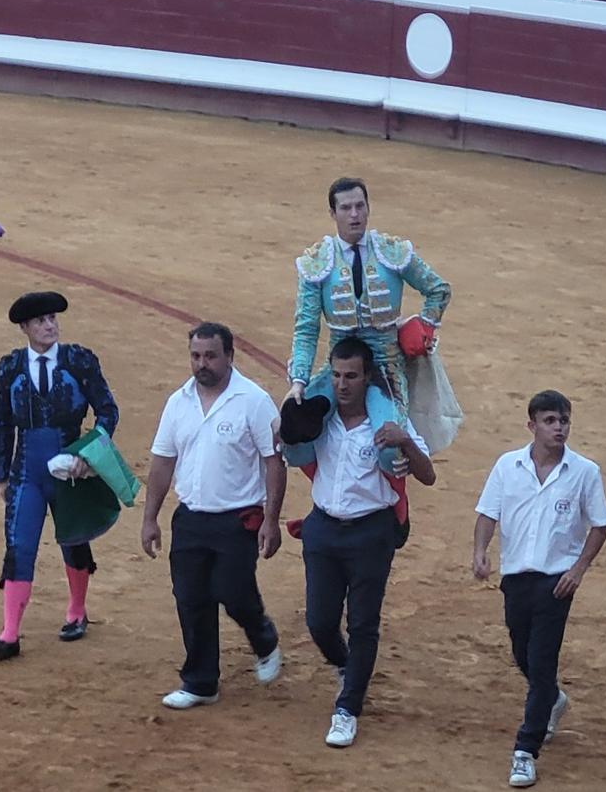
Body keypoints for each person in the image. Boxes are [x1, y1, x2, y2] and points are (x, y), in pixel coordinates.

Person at [140, 322, 285, 709]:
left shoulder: (253, 400)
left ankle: (263, 636)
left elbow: (274, 462)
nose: (202, 364)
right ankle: (201, 682)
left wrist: (272, 519)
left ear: (229, 357)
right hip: (190, 517)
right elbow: (162, 462)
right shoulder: (178, 402)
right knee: (190, 599)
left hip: (239, 518)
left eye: (210, 356)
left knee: (233, 591)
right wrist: (150, 517)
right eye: (196, 356)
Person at [473, 390, 606, 788]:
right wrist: (480, 551)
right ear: (532, 425)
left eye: (564, 420)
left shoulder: (585, 471)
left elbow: (600, 525)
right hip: (516, 577)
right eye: (550, 421)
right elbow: (488, 513)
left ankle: (525, 749)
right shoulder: (507, 466)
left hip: (557, 582)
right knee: (523, 652)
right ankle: (552, 699)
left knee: (541, 660)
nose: (559, 428)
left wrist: (578, 570)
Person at [301, 337, 436, 747]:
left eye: (351, 377)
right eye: (337, 375)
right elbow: (287, 442)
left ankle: (348, 707)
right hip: (323, 528)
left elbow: (428, 475)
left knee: (363, 623)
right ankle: (348, 668)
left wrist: (405, 441)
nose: (342, 385)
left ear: (367, 378)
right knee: (320, 621)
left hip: (370, 531)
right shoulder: (318, 417)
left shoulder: (389, 420)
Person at [0, 292, 119, 661]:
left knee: (73, 541)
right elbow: (1, 422)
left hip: (70, 471)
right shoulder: (10, 368)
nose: (49, 325)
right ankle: (10, 633)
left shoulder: (79, 361)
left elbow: (107, 412)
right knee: (19, 545)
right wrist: (1, 475)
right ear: (25, 328)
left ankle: (76, 611)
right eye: (41, 321)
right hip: (25, 473)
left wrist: (87, 454)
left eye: (53, 319)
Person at [286, 176, 450, 416]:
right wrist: (299, 381)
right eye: (345, 208)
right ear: (333, 213)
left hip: (387, 368)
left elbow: (438, 289)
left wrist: (423, 327)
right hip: (340, 368)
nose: (354, 214)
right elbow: (307, 329)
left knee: (389, 447)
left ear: (368, 209)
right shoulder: (317, 262)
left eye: (360, 206)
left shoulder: (390, 251)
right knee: (296, 431)